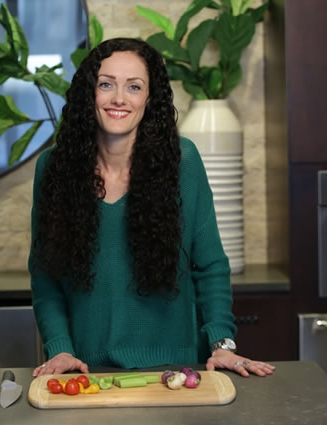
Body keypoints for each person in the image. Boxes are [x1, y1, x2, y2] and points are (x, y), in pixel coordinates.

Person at [28, 37, 275, 378]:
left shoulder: (182, 161)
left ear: (149, 97)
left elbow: (211, 264)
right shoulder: (53, 168)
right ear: (90, 93)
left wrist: (222, 342)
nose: (118, 98)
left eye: (134, 86)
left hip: (176, 370)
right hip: (86, 372)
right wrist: (60, 347)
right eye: (106, 84)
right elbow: (45, 276)